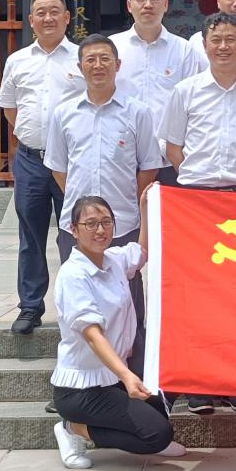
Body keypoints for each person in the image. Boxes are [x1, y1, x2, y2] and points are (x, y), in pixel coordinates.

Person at [160, 10, 236, 415]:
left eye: (230, 40)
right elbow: (172, 147)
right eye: (216, 40)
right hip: (195, 203)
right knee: (196, 296)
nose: (223, 47)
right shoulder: (185, 91)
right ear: (204, 46)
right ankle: (199, 385)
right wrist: (196, 180)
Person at [45, 33, 161, 372]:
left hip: (122, 223)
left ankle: (135, 376)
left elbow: (148, 165)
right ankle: (82, 375)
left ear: (118, 65)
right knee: (79, 299)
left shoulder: (138, 112)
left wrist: (123, 206)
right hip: (76, 228)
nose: (98, 66)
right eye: (90, 60)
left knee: (128, 303)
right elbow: (58, 167)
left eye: (105, 59)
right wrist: (87, 213)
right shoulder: (64, 113)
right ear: (80, 67)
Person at [51, 194, 187, 469]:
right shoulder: (73, 275)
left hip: (114, 378)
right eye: (90, 224)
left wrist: (145, 208)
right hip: (82, 389)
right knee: (157, 435)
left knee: (170, 372)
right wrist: (127, 376)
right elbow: (93, 336)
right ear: (74, 229)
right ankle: (74, 429)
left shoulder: (113, 259)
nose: (100, 230)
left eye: (106, 222)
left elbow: (142, 251)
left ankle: (148, 423)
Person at [0, 0, 84, 336]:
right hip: (31, 159)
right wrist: (35, 138)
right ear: (32, 20)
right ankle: (31, 306)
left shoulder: (81, 58)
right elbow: (10, 109)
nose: (48, 18)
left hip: (73, 161)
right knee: (30, 235)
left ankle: (77, 306)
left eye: (55, 11)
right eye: (41, 13)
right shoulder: (17, 61)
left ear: (67, 17)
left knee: (75, 233)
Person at [110, 0, 207, 184]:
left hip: (169, 159)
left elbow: (194, 105)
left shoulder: (184, 50)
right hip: (121, 156)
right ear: (129, 5)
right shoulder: (112, 48)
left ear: (165, 4)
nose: (148, 5)